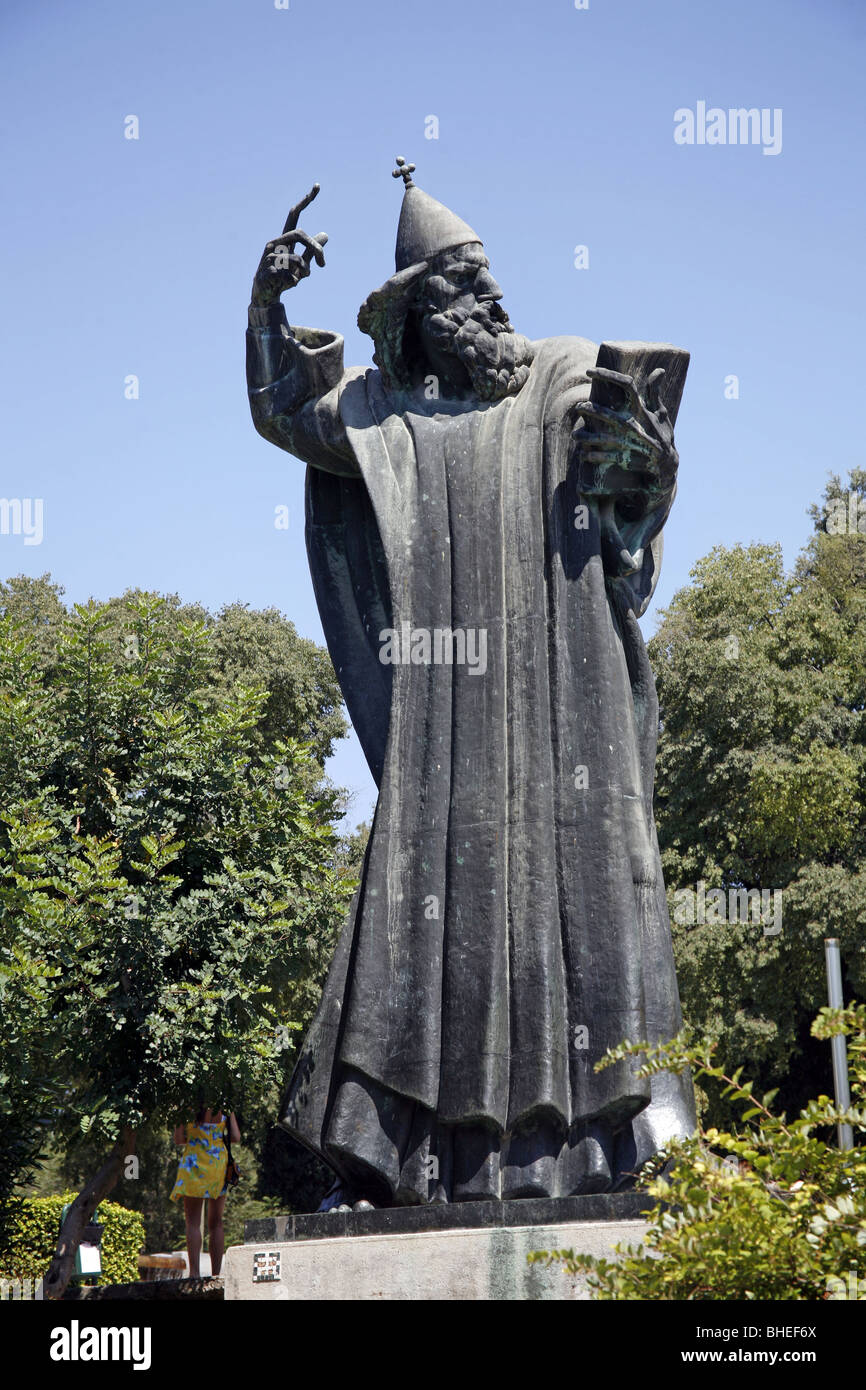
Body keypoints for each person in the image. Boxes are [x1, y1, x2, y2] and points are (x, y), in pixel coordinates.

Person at [246, 162, 696, 1206]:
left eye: (493, 285)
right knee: (425, 905)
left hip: (566, 696)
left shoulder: (565, 373)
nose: (493, 306)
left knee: (590, 886)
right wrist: (267, 304)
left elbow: (638, 474)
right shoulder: (386, 412)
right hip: (447, 723)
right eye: (466, 292)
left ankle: (628, 1129)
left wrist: (647, 465)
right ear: (420, 315)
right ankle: (398, 1153)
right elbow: (283, 412)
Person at [170, 1106, 240, 1276]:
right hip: (217, 1164)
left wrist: (197, 1138)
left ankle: (194, 1273)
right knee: (216, 1223)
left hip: (193, 1164)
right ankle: (216, 1274)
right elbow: (236, 1137)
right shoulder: (224, 1103)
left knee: (192, 1223)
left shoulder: (186, 1102)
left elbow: (179, 1139)